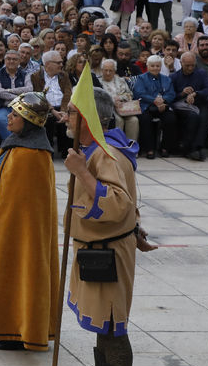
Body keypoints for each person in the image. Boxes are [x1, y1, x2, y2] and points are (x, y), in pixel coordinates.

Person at [63, 86, 156, 366]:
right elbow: (129, 199)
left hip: (108, 256)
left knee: (113, 328)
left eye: (70, 112)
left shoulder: (106, 153)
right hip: (102, 250)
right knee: (106, 327)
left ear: (87, 117)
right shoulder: (98, 149)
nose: (64, 116)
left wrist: (80, 172)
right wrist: (135, 228)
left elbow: (117, 202)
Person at [0, 92, 59, 352]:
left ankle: (18, 331)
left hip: (18, 231)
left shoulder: (31, 155)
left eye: (15, 114)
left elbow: (21, 197)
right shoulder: (17, 143)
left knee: (20, 273)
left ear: (29, 121)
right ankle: (9, 324)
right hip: (3, 224)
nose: (9, 117)